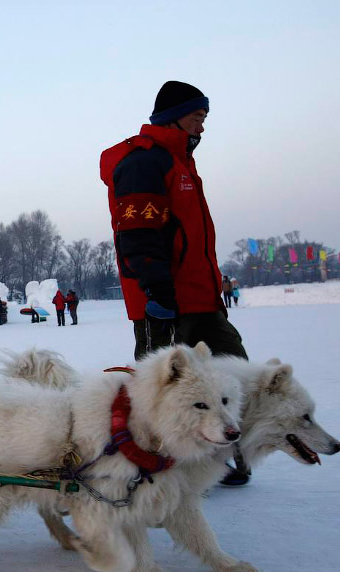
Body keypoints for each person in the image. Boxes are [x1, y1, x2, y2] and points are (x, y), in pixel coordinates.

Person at [101, 80, 251, 486]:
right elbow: (137, 232)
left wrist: (214, 285)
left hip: (202, 299)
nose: (202, 127)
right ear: (173, 116)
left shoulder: (182, 161)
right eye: (197, 117)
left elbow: (193, 238)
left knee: (231, 375)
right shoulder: (145, 162)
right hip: (165, 300)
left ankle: (217, 460)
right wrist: (156, 289)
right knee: (160, 393)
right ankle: (155, 466)